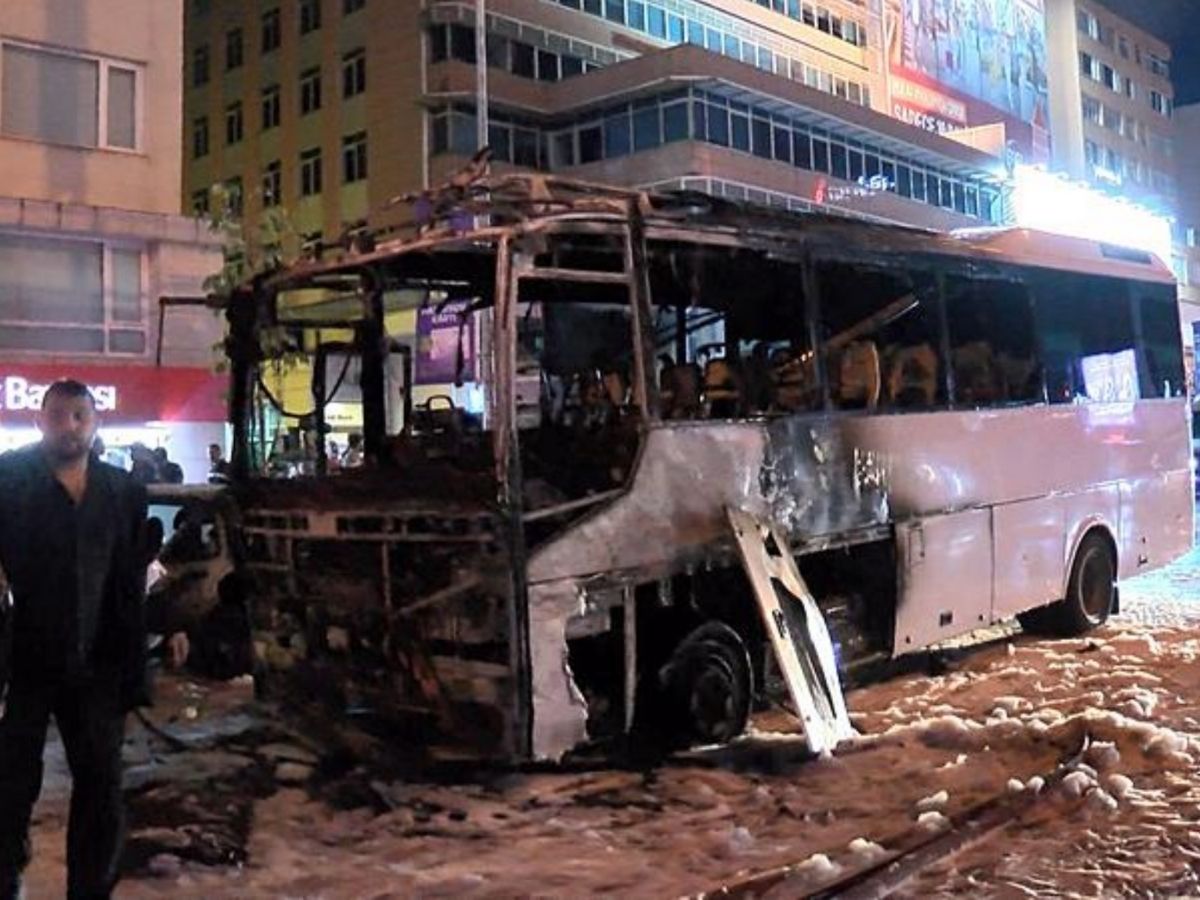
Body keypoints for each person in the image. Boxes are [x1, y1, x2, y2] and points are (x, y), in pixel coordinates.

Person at [0, 380, 154, 900]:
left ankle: (89, 891)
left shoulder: (122, 492)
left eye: (80, 416)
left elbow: (129, 587)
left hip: (98, 668)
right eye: (59, 415)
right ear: (39, 421)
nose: (69, 425)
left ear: (96, 422)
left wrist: (136, 671)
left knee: (100, 789)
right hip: (22, 663)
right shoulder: (8, 482)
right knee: (9, 786)